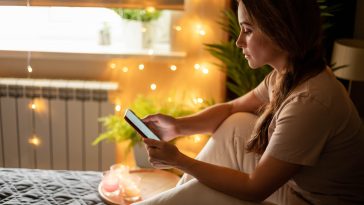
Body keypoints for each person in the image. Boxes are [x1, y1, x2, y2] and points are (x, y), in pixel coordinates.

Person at [133, 0, 364, 204]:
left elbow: (255, 189)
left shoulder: (309, 101)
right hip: (297, 188)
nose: (239, 41)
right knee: (236, 123)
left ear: (279, 31)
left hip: (313, 201)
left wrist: (180, 160)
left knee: (206, 190)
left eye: (248, 30)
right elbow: (233, 107)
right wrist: (178, 126)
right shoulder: (288, 74)